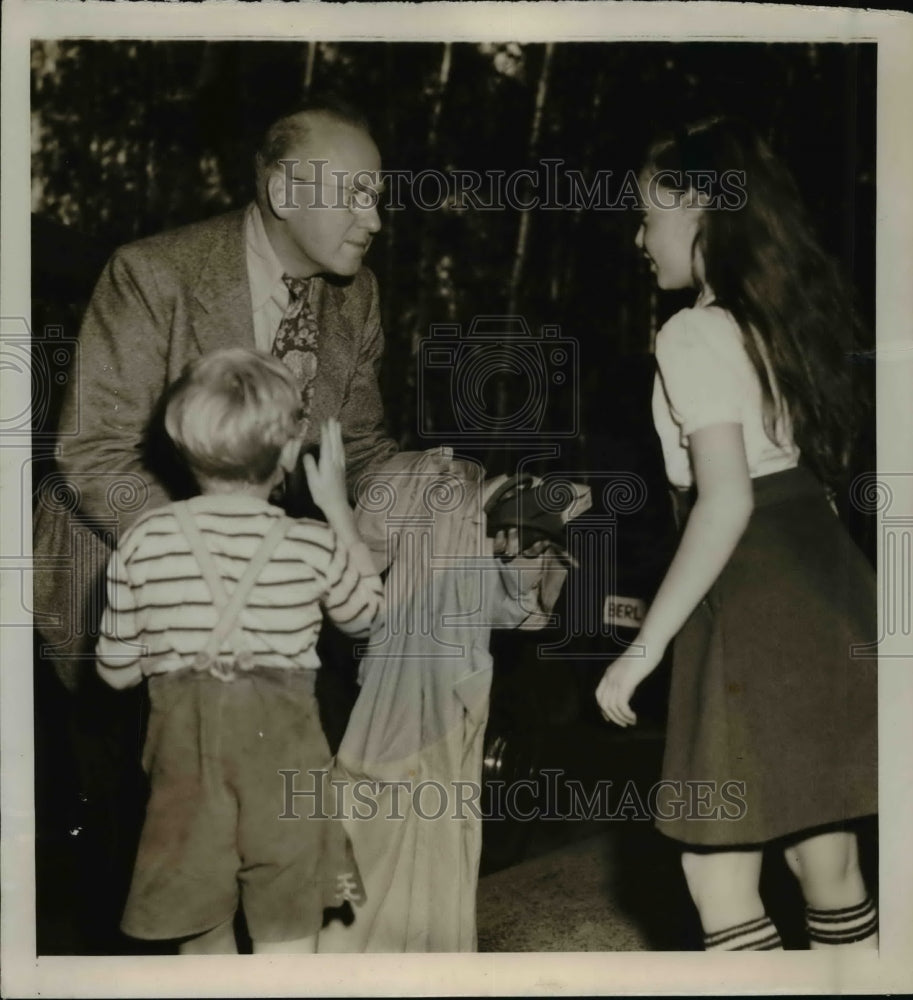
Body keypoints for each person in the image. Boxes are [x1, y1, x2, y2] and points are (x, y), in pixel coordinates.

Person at [596, 117, 878, 951]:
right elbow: (801, 489)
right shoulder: (779, 327)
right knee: (820, 846)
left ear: (696, 209)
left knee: (713, 868)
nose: (639, 236)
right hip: (827, 588)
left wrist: (643, 646)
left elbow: (724, 502)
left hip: (751, 595)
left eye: (648, 213)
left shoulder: (688, 331)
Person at [34, 98, 397, 673]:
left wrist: (455, 500)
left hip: (258, 625)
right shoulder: (152, 274)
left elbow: (357, 448)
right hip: (107, 605)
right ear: (284, 194)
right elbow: (93, 452)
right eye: (353, 195)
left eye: (375, 198)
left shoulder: (358, 298)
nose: (374, 220)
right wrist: (215, 557)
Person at [95, 347, 383, 954]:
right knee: (288, 942)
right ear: (287, 452)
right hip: (286, 769)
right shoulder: (312, 545)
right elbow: (368, 619)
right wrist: (336, 508)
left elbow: (116, 673)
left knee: (201, 945)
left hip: (185, 770)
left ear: (179, 444)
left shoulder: (144, 540)